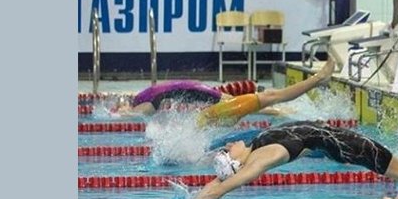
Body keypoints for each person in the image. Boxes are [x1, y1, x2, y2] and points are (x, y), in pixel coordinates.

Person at [195, 118, 398, 199]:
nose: (228, 146)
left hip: (335, 138)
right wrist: (211, 194)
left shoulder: (256, 146)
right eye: (226, 153)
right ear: (235, 164)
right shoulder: (260, 159)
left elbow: (222, 180)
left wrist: (210, 186)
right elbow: (228, 184)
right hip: (346, 145)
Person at [114, 56, 339, 127]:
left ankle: (290, 112)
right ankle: (317, 80)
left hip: (206, 99)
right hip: (209, 101)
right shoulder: (140, 104)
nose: (122, 104)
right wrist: (120, 115)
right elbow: (140, 113)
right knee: (269, 98)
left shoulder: (140, 98)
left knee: (265, 103)